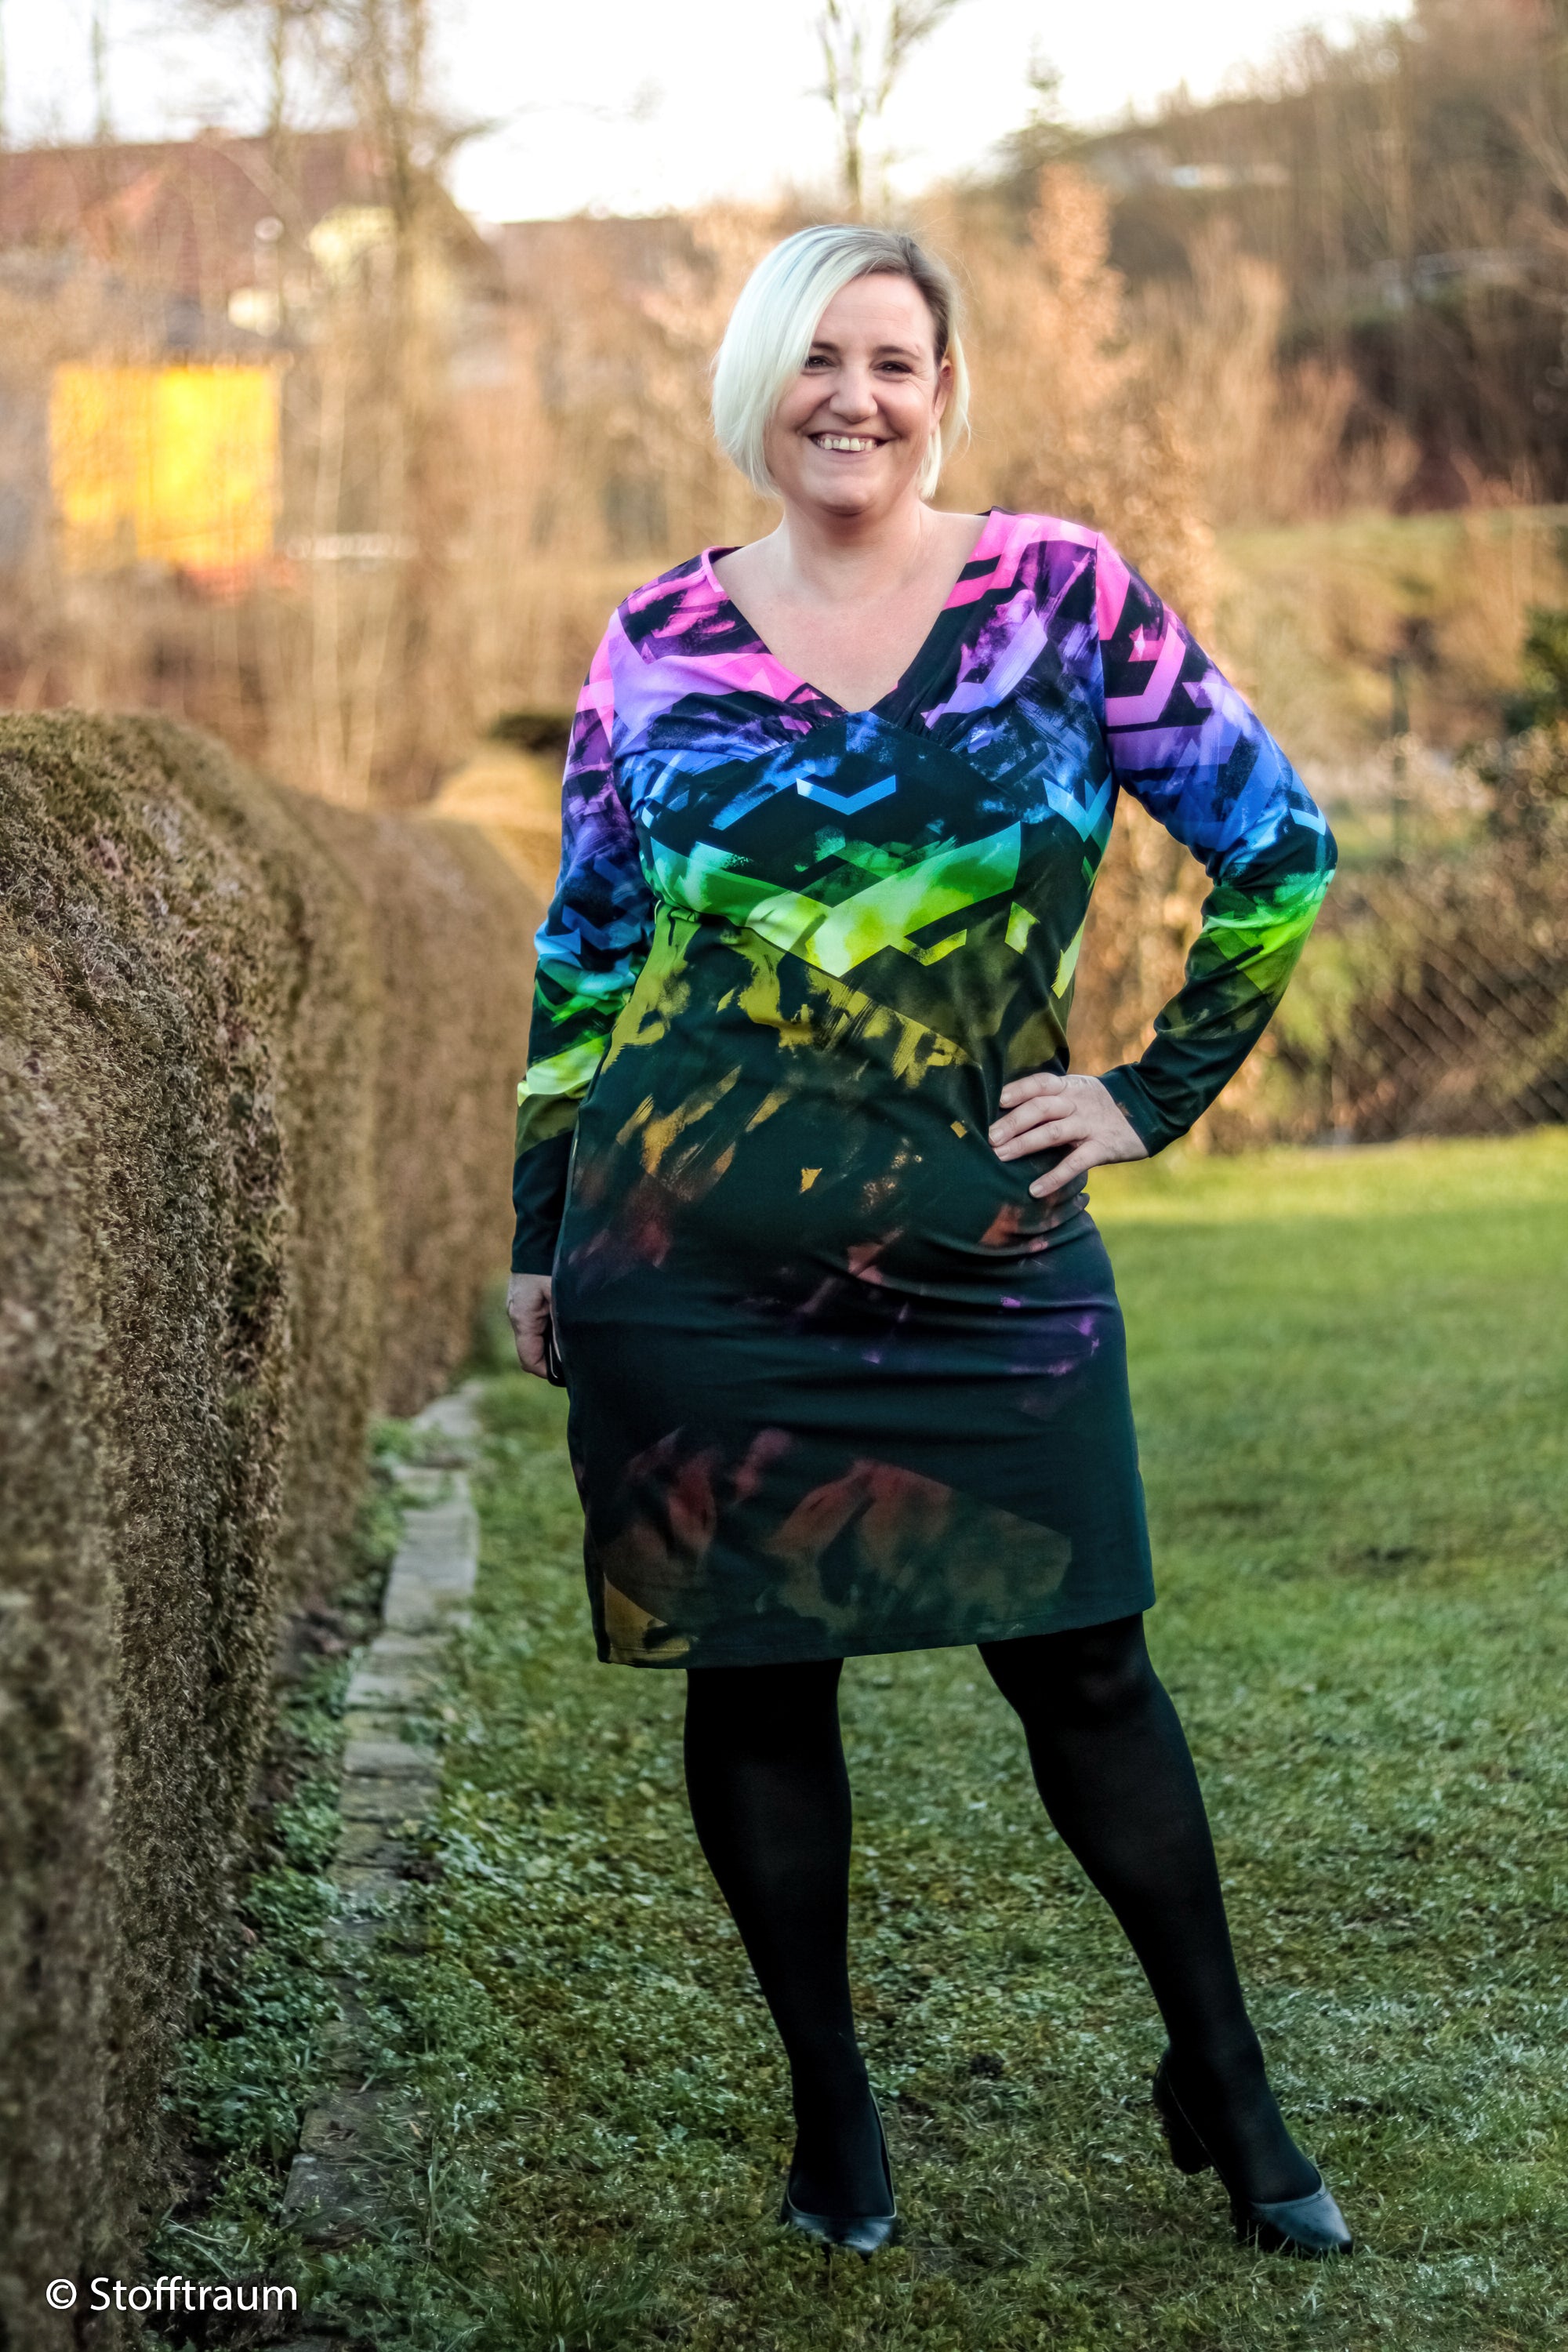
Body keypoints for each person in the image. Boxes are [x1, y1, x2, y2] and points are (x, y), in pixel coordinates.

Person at [506, 224, 1350, 2260]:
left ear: (943, 389)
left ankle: (1226, 2081)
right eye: (815, 359)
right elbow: (586, 955)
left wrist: (1148, 1094)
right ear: (758, 386)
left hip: (988, 1249)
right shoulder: (653, 643)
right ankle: (833, 2115)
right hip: (692, 1260)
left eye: (892, 360)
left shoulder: (1060, 595)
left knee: (1089, 1666)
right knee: (758, 1680)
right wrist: (539, 1234)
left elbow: (1280, 845)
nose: (854, 398)